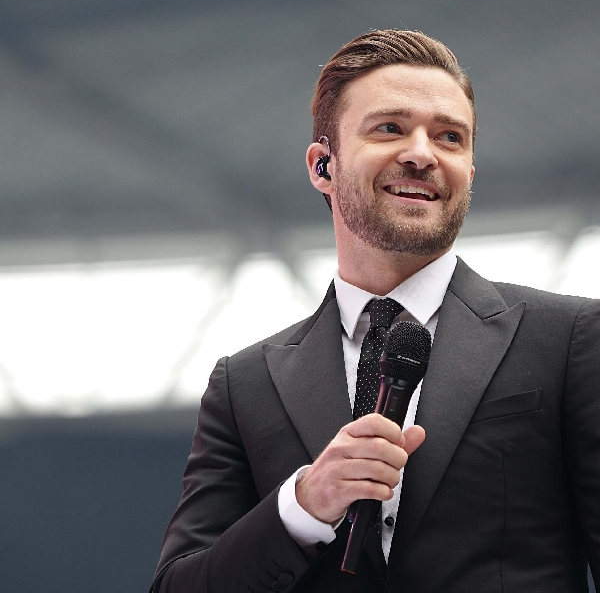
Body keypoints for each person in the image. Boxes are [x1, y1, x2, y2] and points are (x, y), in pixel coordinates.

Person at [151, 30, 600, 592]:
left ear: (469, 173)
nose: (422, 153)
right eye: (390, 128)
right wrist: (304, 505)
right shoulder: (244, 385)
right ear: (323, 165)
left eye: (450, 137)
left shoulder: (569, 340)